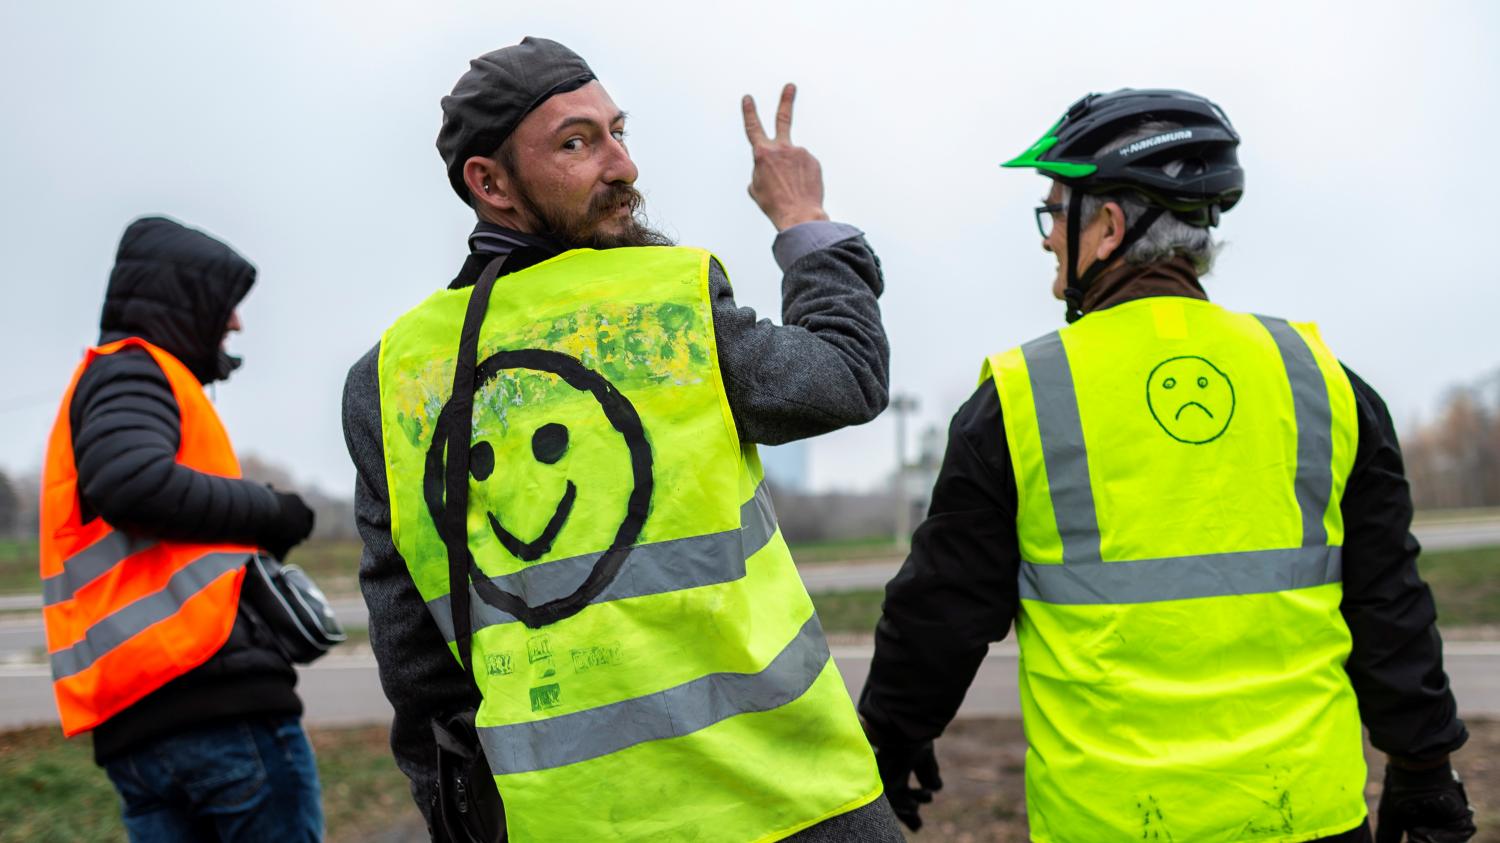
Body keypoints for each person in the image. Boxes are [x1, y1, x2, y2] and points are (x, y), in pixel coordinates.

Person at [858, 89, 1477, 842]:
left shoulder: (1021, 398)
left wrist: (890, 743)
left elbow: (940, 613)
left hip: (1115, 823)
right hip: (1307, 816)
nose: (1050, 237)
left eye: (1057, 211)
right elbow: (1389, 601)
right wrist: (1423, 766)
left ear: (1110, 226)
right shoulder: (1321, 380)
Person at [342, 37, 904, 841]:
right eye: (577, 142)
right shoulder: (665, 305)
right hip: (792, 798)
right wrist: (803, 222)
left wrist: (453, 812)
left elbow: (415, 664)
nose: (623, 167)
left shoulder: (393, 378)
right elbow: (846, 374)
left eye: (618, 131)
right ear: (489, 182)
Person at [39, 216, 322, 841]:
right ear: (188, 301)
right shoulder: (132, 370)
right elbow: (132, 483)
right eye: (227, 305)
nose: (237, 323)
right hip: (214, 710)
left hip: (139, 727)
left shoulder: (115, 379)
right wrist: (271, 513)